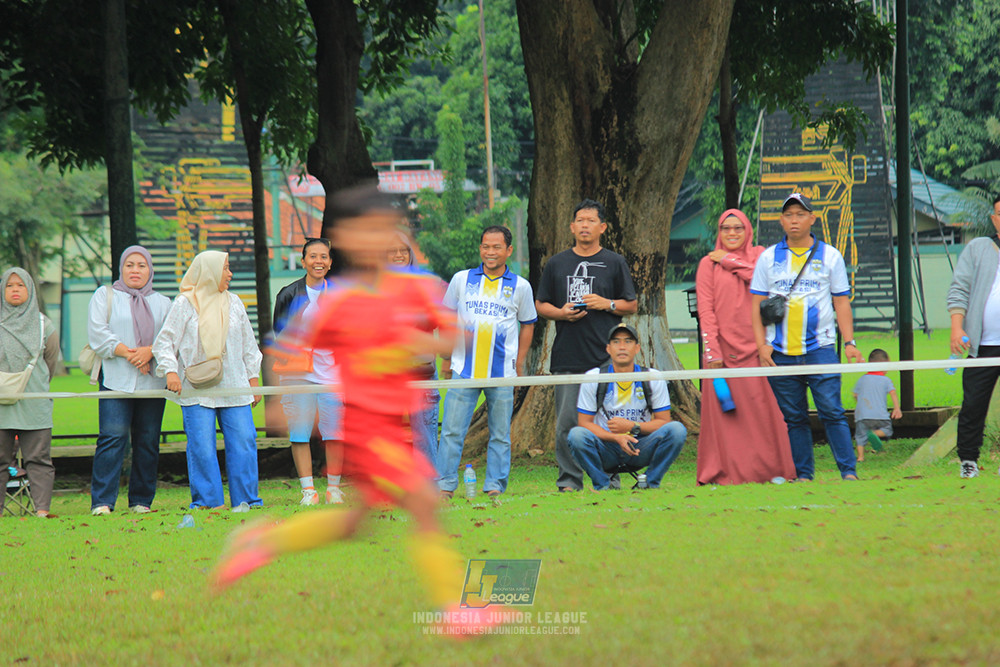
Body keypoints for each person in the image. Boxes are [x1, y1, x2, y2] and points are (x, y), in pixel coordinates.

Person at [212, 186, 496, 636]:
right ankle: (456, 609)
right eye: (365, 232)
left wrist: (416, 341)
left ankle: (263, 541)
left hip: (398, 426)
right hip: (367, 431)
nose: (375, 240)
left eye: (383, 231)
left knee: (353, 524)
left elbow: (454, 336)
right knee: (424, 504)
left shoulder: (417, 288)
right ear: (345, 238)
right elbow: (291, 347)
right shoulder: (340, 301)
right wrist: (278, 403)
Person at [750, 192, 862, 481]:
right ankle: (804, 476)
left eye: (801, 214)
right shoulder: (768, 258)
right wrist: (761, 345)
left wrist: (849, 343)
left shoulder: (830, 255)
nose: (795, 220)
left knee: (831, 411)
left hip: (821, 348)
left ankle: (848, 472)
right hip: (780, 352)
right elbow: (755, 305)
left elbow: (841, 302)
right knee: (794, 417)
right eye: (789, 215)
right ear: (781, 220)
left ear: (812, 218)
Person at [535, 199, 637, 491]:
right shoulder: (557, 263)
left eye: (591, 220)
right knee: (567, 424)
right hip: (568, 356)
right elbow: (541, 305)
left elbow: (630, 305)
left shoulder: (615, 262)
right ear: (571, 226)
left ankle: (609, 478)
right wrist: (561, 313)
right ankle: (569, 480)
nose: (584, 225)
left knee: (608, 423)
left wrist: (608, 304)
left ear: (602, 227)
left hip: (606, 359)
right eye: (579, 220)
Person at [152, 251, 263, 510]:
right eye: (225, 268)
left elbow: (248, 344)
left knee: (244, 441)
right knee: (201, 446)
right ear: (210, 271)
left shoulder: (234, 302)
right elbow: (165, 342)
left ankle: (247, 500)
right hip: (196, 389)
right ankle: (207, 502)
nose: (230, 273)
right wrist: (170, 371)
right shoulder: (185, 303)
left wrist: (254, 380)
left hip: (234, 385)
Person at [695, 210, 795, 485]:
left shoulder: (760, 254)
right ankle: (725, 473)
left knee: (764, 413)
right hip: (722, 355)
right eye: (725, 228)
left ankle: (771, 471)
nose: (732, 233)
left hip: (759, 350)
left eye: (738, 228)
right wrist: (711, 352)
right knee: (728, 416)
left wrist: (728, 260)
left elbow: (762, 281)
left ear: (747, 230)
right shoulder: (707, 264)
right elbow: (706, 310)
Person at [437, 226, 536, 499]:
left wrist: (520, 362)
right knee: (452, 432)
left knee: (500, 435)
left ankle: (494, 486)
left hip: (502, 373)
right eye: (485, 246)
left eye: (496, 247)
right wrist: (446, 357)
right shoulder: (461, 279)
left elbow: (528, 324)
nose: (490, 252)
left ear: (508, 250)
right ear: (480, 248)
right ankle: (445, 486)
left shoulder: (521, 286)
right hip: (463, 370)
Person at [88, 246, 172, 515]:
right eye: (130, 265)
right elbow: (98, 333)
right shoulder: (106, 295)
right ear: (121, 269)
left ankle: (141, 500)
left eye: (141, 265)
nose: (135, 270)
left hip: (152, 384)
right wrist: (131, 353)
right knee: (112, 438)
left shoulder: (163, 303)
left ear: (150, 270)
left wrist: (151, 351)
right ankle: (102, 501)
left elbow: (170, 338)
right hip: (115, 379)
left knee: (147, 441)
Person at [567, 323, 686, 490]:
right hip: (606, 447)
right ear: (608, 348)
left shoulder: (652, 377)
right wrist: (616, 437)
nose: (622, 347)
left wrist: (632, 426)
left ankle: (650, 484)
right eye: (616, 342)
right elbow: (584, 423)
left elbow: (664, 422)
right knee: (576, 435)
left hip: (639, 445)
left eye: (628, 341)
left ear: (637, 348)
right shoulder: (593, 377)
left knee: (677, 430)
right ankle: (603, 486)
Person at [272, 238, 344, 505]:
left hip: (332, 374)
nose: (318, 261)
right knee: (299, 432)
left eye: (323, 257)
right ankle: (308, 491)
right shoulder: (288, 294)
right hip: (297, 373)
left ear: (330, 262)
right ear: (303, 261)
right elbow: (280, 335)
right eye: (313, 256)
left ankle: (333, 489)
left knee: (335, 432)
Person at [947, 194, 1000, 478]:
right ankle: (968, 460)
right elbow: (959, 289)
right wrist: (957, 328)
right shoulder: (978, 248)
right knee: (973, 404)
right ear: (993, 219)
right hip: (983, 346)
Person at [0, 269, 60, 517]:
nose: (15, 289)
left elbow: (51, 362)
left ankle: (42, 510)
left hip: (34, 402)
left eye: (21, 285)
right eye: (9, 285)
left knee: (39, 459)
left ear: (30, 290)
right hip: (2, 404)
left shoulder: (45, 324)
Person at [387, 230, 442, 472]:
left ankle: (430, 485)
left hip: (421, 371)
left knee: (424, 433)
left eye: (404, 251)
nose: (399, 255)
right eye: (393, 251)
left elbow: (440, 320)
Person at [852, 348, 902, 461]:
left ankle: (860, 457)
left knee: (860, 436)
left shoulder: (862, 379)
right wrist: (897, 408)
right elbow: (893, 393)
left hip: (862, 415)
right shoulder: (886, 380)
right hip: (880, 415)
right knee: (887, 430)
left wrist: (861, 405)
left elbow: (855, 395)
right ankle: (874, 434)